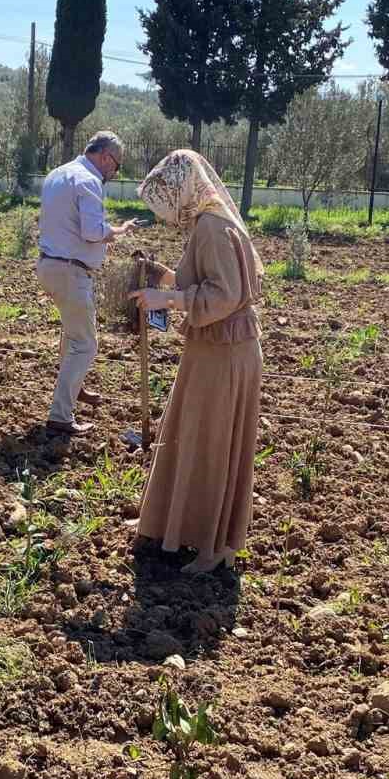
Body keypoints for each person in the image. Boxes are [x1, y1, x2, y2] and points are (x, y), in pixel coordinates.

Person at [129, 150, 265, 575]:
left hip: (223, 353)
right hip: (220, 349)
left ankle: (214, 544)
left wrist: (167, 299)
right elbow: (210, 282)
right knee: (193, 434)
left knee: (210, 443)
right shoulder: (215, 220)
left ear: (180, 190)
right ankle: (172, 526)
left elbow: (224, 296)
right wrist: (163, 275)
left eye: (164, 202)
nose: (166, 215)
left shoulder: (211, 226)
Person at [35, 130, 139, 435]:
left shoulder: (58, 173)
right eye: (116, 165)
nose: (113, 172)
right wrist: (118, 231)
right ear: (105, 156)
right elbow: (92, 231)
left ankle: (74, 386)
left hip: (49, 265)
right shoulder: (89, 180)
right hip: (71, 271)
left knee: (72, 333)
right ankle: (61, 416)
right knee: (85, 344)